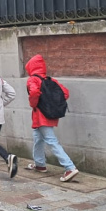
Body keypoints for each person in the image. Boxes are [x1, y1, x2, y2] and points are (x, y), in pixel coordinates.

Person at [25, 54, 78, 182]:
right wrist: (51, 103)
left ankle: (70, 167)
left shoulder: (32, 80)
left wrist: (33, 104)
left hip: (40, 116)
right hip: (50, 114)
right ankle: (40, 164)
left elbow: (34, 93)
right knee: (38, 138)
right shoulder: (51, 80)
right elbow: (65, 93)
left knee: (51, 141)